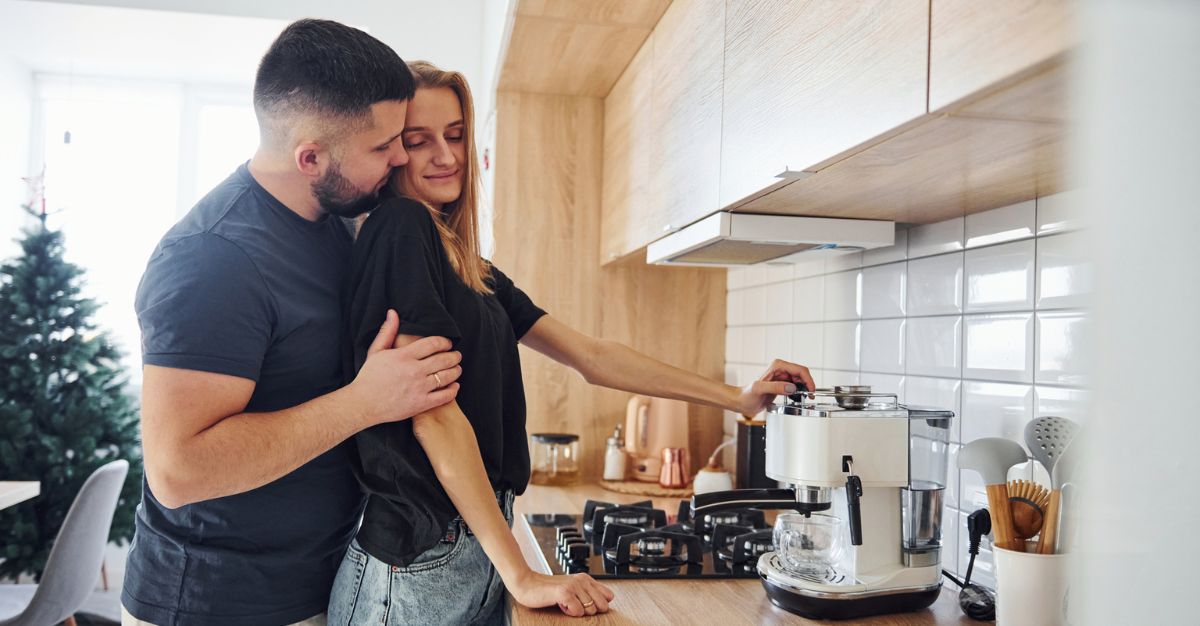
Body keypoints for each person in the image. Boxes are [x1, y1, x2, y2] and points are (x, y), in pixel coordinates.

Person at [328, 61, 816, 625]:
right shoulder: (400, 227)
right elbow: (430, 415)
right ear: (392, 153)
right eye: (419, 142)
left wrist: (737, 398)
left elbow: (593, 356)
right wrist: (522, 573)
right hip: (416, 561)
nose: (445, 156)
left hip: (465, 547)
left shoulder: (470, 269)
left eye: (456, 135)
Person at [122, 21, 463, 626]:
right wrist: (364, 402)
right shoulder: (211, 259)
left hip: (314, 584)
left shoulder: (338, 219)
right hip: (214, 606)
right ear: (310, 157)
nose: (402, 157)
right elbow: (178, 471)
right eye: (383, 146)